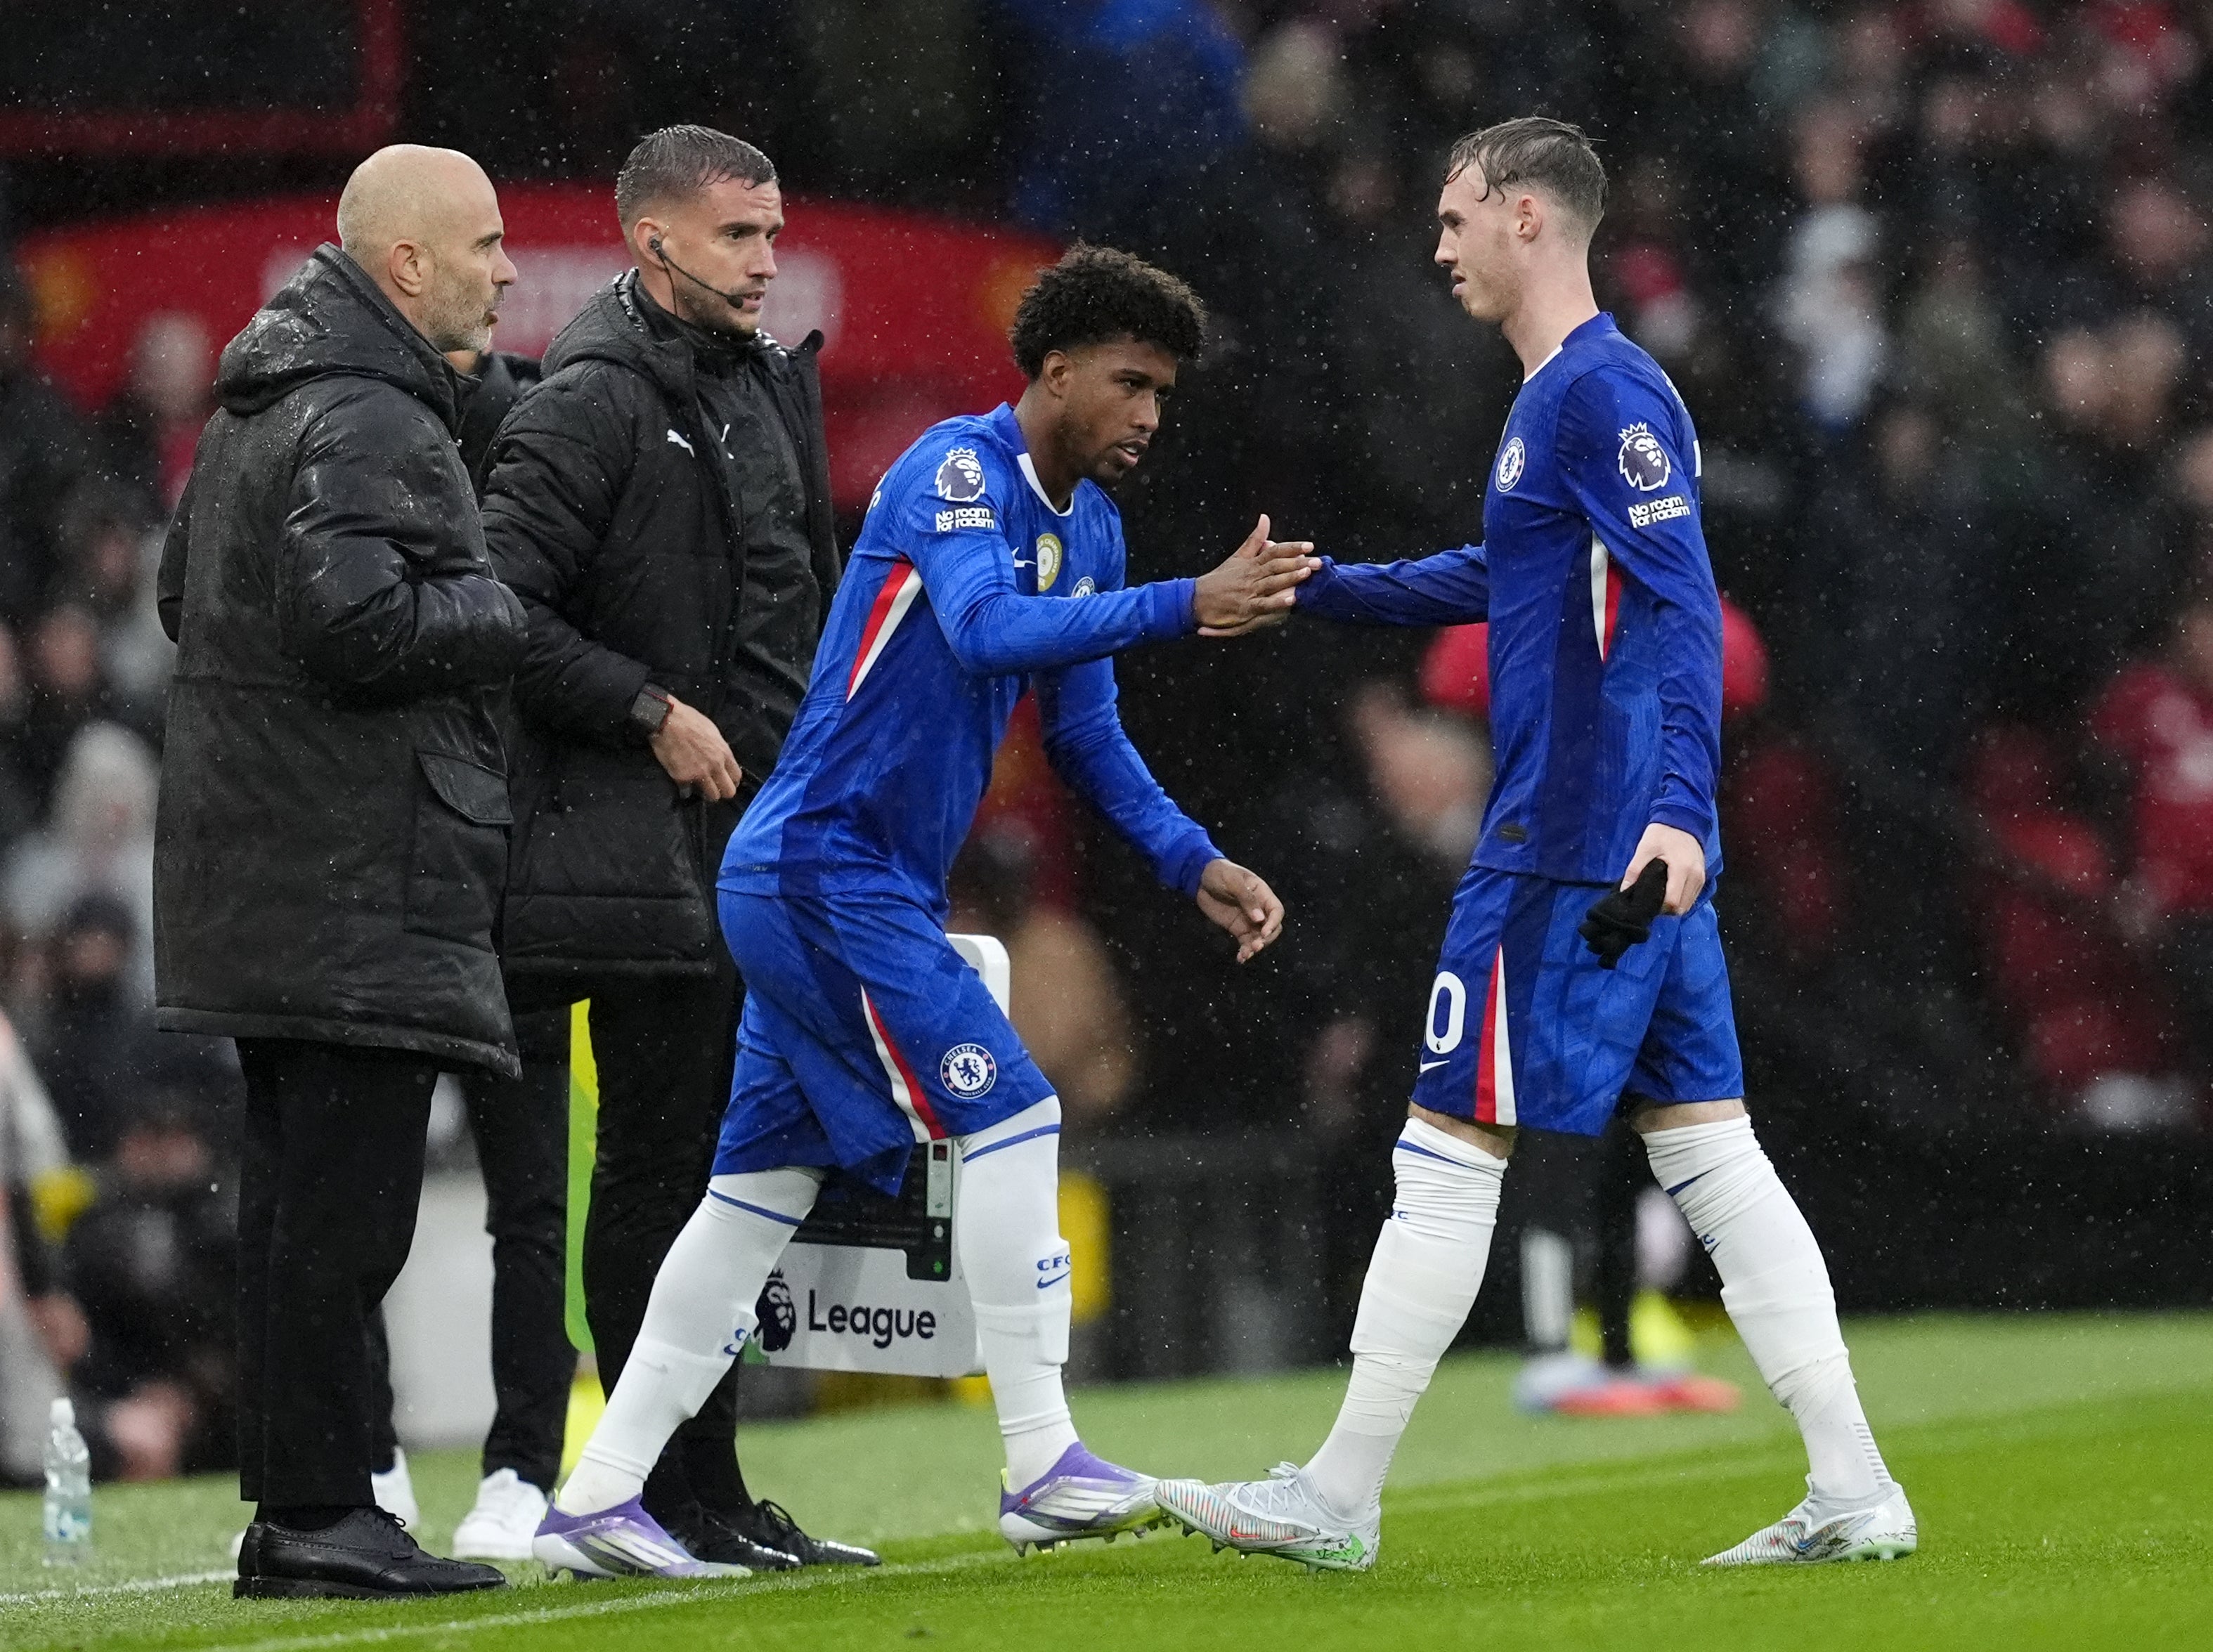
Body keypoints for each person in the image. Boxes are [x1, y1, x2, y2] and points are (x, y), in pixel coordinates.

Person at [1155, 118, 1914, 1571]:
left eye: (1454, 220)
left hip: (1570, 847)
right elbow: (1501, 571)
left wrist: (1683, 813)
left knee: (1446, 1151)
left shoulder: (1598, 396)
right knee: (1716, 1158)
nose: (1436, 248)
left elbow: (1683, 607)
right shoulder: (1569, 400)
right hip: (1620, 847)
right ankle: (1855, 1484)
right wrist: (1314, 592)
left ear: (1523, 219)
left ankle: (1339, 1495)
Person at [532, 244, 1310, 1578]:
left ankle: (598, 1495)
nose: (1146, 417)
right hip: (819, 869)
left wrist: (1191, 862)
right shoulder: (954, 472)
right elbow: (987, 631)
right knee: (1014, 1112)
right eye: (1128, 383)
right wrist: (1190, 605)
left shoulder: (1096, 530)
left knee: (754, 1193)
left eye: (1164, 396)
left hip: (847, 884)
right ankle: (1041, 1461)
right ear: (1051, 369)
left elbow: (1086, 729)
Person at [479, 124, 866, 1570]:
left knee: (725, 1171)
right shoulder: (587, 401)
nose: (768, 261)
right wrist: (645, 708)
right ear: (651, 242)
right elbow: (490, 610)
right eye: (738, 238)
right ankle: (647, 1484)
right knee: (661, 1170)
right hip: (635, 853)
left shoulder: (759, 382)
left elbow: (790, 603)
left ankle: (703, 1484)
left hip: (753, 840)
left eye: (773, 233)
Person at [154, 143, 526, 1600]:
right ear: (408, 264)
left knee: (296, 1209)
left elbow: (188, 594)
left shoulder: (263, 396)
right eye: (485, 244)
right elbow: (358, 625)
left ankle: (294, 1508)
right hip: (351, 878)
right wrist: (501, 601)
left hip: (267, 873)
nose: (507, 270)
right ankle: (320, 1512)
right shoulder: (369, 410)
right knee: (343, 1216)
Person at [349, 337, 572, 1561]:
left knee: (442, 1195)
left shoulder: (410, 461)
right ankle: (494, 1464)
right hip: (453, 883)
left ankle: (445, 1460)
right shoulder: (388, 462)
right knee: (498, 1201)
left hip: (467, 886)